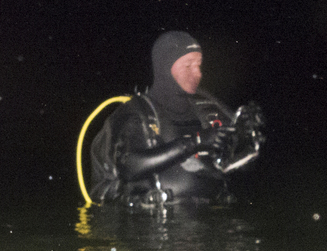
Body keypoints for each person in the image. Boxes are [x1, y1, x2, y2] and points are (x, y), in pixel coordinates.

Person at [88, 31, 263, 209]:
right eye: (188, 66)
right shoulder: (136, 112)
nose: (198, 73)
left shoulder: (207, 109)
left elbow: (242, 168)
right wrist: (195, 142)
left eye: (199, 65)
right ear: (165, 67)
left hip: (211, 217)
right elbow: (130, 167)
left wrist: (243, 140)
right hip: (152, 219)